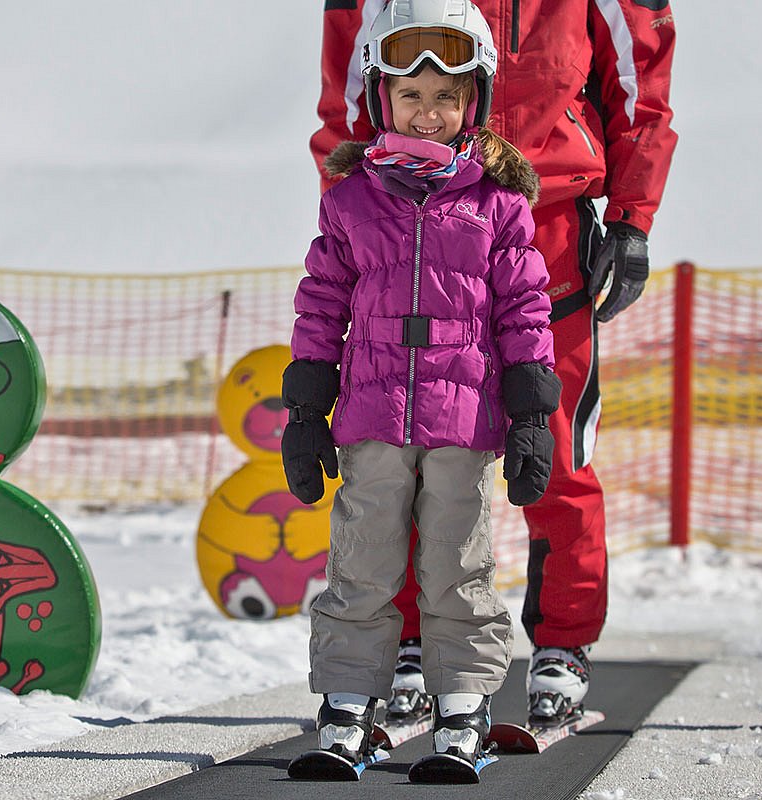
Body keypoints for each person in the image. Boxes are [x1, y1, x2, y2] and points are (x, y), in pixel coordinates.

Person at [313, 0, 678, 723]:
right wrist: (353, 226)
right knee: (408, 441)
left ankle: (564, 642)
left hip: (546, 232)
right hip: (410, 216)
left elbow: (643, 88)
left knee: (555, 453)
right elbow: (349, 94)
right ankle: (412, 640)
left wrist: (633, 221)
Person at [281, 0, 558, 767]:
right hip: (370, 411)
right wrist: (306, 407)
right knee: (361, 559)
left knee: (455, 560)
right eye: (411, 96)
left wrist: (532, 413)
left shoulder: (497, 204)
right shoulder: (349, 202)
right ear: (379, 100)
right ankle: (346, 704)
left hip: (462, 417)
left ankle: (463, 707)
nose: (428, 113)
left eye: (446, 96)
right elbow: (321, 304)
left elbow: (526, 310)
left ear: (475, 102)